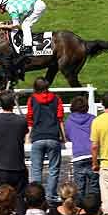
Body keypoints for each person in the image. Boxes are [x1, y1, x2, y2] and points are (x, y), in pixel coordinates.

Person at [0, 90, 28, 215]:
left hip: (0, 167)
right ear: (13, 103)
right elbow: (24, 135)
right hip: (18, 166)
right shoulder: (21, 121)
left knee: (0, 199)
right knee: (20, 200)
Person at [26, 77, 65, 206]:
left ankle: (37, 197)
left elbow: (30, 120)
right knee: (54, 169)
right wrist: (64, 137)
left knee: (36, 169)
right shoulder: (56, 99)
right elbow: (60, 119)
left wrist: (28, 138)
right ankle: (51, 196)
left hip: (37, 137)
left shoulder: (32, 99)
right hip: (53, 137)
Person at [64, 95, 99, 199]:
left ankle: (81, 212)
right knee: (94, 187)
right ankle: (94, 210)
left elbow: (68, 136)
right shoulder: (93, 119)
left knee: (79, 190)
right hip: (92, 155)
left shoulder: (69, 120)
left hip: (78, 157)